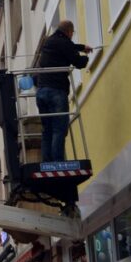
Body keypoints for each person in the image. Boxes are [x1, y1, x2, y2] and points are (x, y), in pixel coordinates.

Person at [36, 20, 93, 162]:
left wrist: (81, 47)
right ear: (69, 32)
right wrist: (86, 57)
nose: (72, 36)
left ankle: (47, 162)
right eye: (72, 33)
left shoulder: (49, 41)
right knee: (59, 129)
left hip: (41, 91)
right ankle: (58, 162)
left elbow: (69, 47)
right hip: (56, 91)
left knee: (47, 130)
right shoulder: (64, 42)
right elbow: (78, 62)